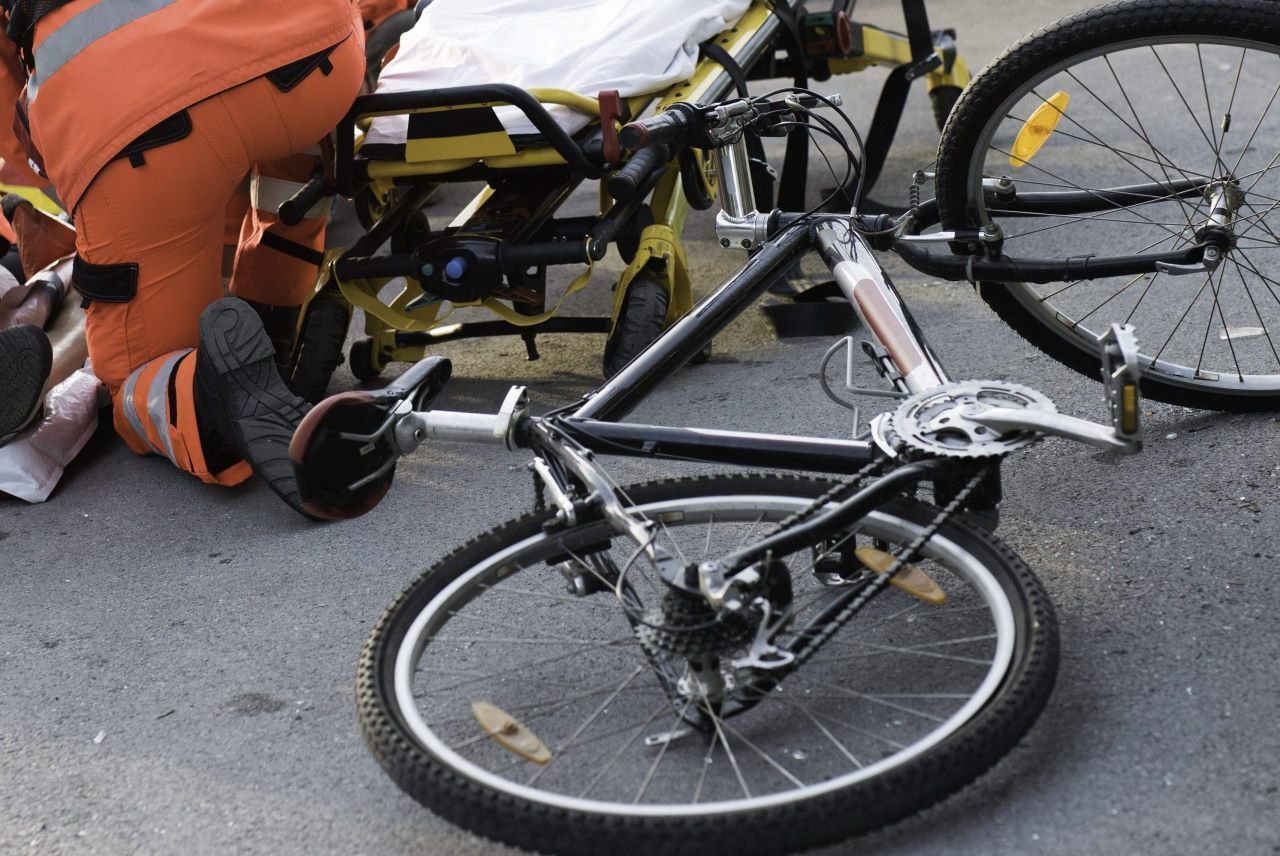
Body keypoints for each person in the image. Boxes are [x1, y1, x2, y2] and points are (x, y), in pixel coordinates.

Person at [0, 0, 399, 519]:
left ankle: (209, 400)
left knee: (134, 376)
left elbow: (21, 144)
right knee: (286, 181)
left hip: (138, 127)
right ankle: (277, 312)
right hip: (312, 55)